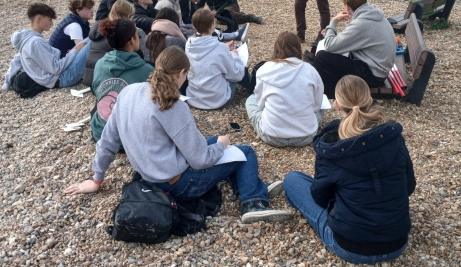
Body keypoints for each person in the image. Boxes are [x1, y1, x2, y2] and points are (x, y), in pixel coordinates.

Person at [63, 47, 294, 224]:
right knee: (244, 151)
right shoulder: (172, 104)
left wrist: (96, 179)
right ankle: (253, 203)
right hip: (178, 183)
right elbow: (200, 160)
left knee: (212, 143)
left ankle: (250, 185)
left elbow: (107, 142)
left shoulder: (128, 92)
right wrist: (222, 145)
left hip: (149, 175)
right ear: (181, 74)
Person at [284, 75, 416, 263]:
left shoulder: (332, 145)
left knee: (292, 180)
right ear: (370, 101)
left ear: (337, 105)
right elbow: (409, 186)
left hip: (350, 246)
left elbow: (320, 197)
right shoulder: (393, 137)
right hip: (397, 243)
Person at [311, 0, 395, 99]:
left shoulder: (362, 23)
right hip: (379, 69)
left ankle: (331, 96)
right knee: (336, 53)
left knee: (322, 58)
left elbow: (330, 45)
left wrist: (334, 21)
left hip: (373, 76)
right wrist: (331, 34)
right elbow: (350, 40)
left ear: (347, 6)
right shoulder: (374, 15)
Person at [246, 32, 325, 147]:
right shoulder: (311, 70)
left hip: (272, 136)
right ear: (298, 48)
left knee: (250, 99)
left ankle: (275, 120)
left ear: (276, 48)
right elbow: (317, 105)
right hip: (306, 136)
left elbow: (261, 104)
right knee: (322, 107)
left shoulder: (264, 70)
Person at [90, 18, 154, 142]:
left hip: (100, 133)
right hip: (129, 139)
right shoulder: (146, 70)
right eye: (137, 35)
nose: (139, 38)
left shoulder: (100, 64)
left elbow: (96, 91)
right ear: (131, 40)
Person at [2, 3, 89, 91]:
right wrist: (75, 50)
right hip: (62, 79)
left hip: (57, 77)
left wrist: (6, 84)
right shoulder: (36, 42)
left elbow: (16, 61)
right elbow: (56, 69)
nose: (51, 23)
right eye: (50, 19)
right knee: (91, 41)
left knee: (90, 39)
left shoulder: (26, 39)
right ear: (39, 18)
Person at [185, 9, 252, 110]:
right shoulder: (219, 48)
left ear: (194, 26)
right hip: (217, 100)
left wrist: (225, 48)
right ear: (212, 25)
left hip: (194, 97)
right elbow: (236, 75)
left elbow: (208, 54)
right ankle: (255, 88)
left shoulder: (189, 44)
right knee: (240, 67)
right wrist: (234, 55)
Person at [83, 0, 146, 87]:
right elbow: (134, 55)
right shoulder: (120, 31)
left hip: (92, 75)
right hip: (108, 76)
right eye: (132, 16)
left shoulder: (102, 26)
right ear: (129, 16)